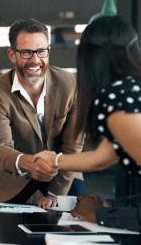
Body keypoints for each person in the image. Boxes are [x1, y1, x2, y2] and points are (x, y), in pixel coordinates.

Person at [35, 16, 141, 231]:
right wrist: (54, 159)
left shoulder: (118, 97)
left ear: (88, 59)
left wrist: (103, 215)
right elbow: (100, 159)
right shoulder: (131, 91)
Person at [0, 18, 84, 204]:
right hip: (13, 174)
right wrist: (29, 163)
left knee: (77, 223)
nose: (36, 60)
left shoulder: (71, 84)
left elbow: (73, 145)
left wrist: (56, 193)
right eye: (27, 52)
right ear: (12, 55)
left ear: (48, 51)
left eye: (41, 51)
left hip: (63, 172)